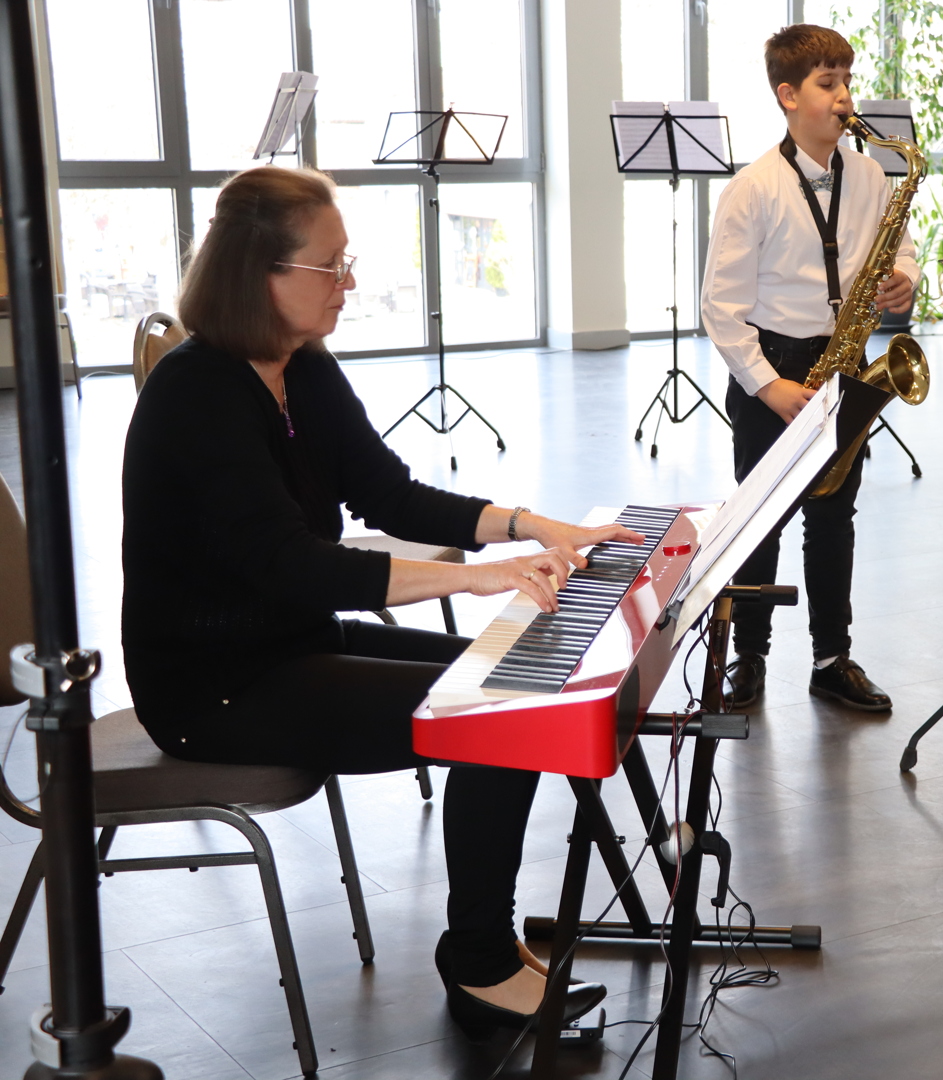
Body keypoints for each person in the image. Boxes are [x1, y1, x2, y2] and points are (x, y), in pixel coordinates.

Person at [120, 166, 641, 1038]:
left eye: (346, 261)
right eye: (330, 266)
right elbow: (295, 567)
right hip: (213, 689)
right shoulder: (196, 394)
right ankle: (479, 962)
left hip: (290, 644)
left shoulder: (300, 367)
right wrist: (476, 577)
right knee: (498, 717)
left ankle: (488, 946)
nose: (348, 283)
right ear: (259, 273)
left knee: (512, 684)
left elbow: (388, 495)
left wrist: (531, 525)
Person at [700, 23, 917, 713]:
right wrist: (768, 385)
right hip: (775, 365)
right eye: (828, 84)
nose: (844, 96)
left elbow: (901, 249)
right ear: (788, 96)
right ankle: (749, 657)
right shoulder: (753, 188)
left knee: (833, 516)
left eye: (847, 81)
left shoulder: (870, 174)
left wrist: (904, 277)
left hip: (843, 358)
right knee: (759, 518)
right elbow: (720, 307)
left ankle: (832, 659)